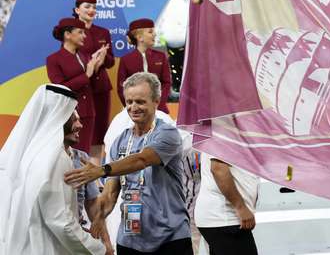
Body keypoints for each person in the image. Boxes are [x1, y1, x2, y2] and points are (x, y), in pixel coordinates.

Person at [64, 72, 191, 255]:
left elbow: (142, 159)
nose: (133, 107)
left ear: (156, 101)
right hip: (130, 240)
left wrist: (102, 170)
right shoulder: (120, 141)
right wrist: (99, 219)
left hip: (171, 239)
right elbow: (110, 193)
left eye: (140, 101)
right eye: (129, 102)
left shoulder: (167, 134)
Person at [0, 84, 106, 254]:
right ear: (58, 117)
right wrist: (98, 250)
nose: (80, 125)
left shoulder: (26, 154)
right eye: (74, 118)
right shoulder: (54, 157)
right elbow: (61, 221)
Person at [46, 17, 107, 153]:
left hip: (88, 112)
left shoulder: (84, 56)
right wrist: (86, 75)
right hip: (70, 113)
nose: (84, 36)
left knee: (84, 153)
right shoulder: (53, 59)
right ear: (67, 35)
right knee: (70, 153)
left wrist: (97, 66)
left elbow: (91, 82)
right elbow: (60, 88)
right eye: (80, 32)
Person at [73, 0, 114, 162]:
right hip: (83, 86)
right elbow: (70, 56)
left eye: (94, 7)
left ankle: (95, 174)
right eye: (87, 7)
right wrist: (92, 62)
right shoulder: (71, 31)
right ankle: (81, 170)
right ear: (77, 10)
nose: (91, 10)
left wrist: (103, 58)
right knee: (82, 131)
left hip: (101, 88)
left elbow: (111, 60)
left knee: (99, 131)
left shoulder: (103, 32)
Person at [66, 111, 113, 253]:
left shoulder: (81, 158)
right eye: (74, 120)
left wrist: (106, 243)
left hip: (77, 238)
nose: (80, 125)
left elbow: (92, 203)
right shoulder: (41, 160)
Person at [194, 153, 259, 255]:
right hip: (225, 218)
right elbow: (218, 168)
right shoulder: (222, 136)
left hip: (225, 219)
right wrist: (241, 207)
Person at [117, 19, 172, 113]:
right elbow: (121, 88)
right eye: (150, 31)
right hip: (135, 112)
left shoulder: (161, 56)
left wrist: (157, 104)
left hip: (159, 110)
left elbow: (166, 83)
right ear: (139, 37)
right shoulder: (126, 59)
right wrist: (133, 107)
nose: (154, 34)